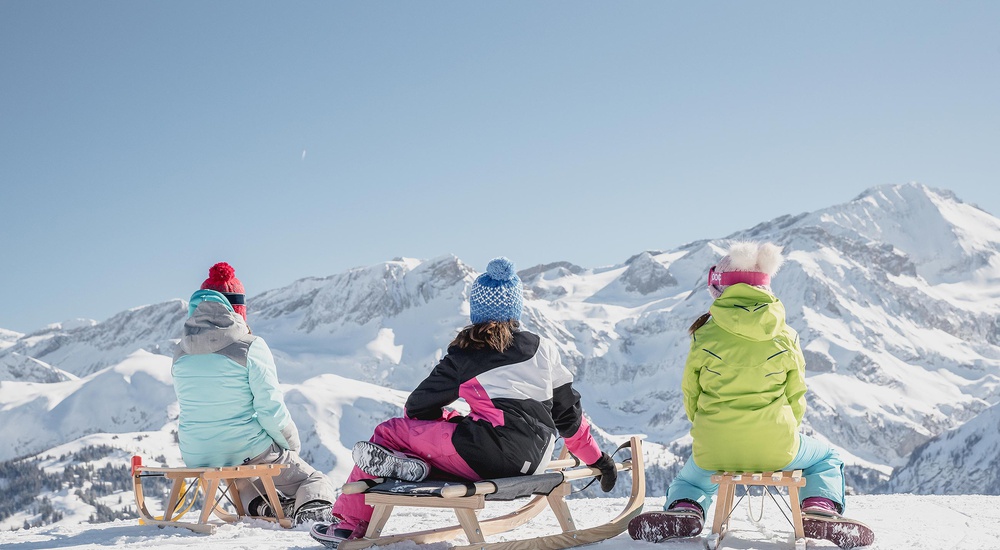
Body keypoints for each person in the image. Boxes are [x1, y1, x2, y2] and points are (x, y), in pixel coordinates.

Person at [311, 257, 618, 548]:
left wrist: (449, 417)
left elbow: (417, 408)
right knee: (458, 436)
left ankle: (348, 524)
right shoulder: (543, 349)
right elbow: (568, 416)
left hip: (485, 458)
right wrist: (597, 459)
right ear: (515, 309)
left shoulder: (467, 353)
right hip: (535, 462)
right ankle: (418, 463)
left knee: (388, 433)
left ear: (477, 310)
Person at [627, 242, 875, 549]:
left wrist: (706, 428)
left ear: (719, 289)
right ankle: (817, 510)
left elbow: (691, 393)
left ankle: (686, 510)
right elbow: (796, 395)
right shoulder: (786, 334)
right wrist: (783, 431)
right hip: (777, 445)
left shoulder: (703, 333)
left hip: (714, 444)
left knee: (690, 479)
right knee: (827, 458)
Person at [172, 262, 336, 524]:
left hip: (196, 452)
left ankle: (263, 506)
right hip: (243, 447)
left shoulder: (181, 350)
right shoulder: (249, 346)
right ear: (238, 309)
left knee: (244, 479)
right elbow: (270, 409)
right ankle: (313, 511)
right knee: (314, 479)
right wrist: (290, 446)